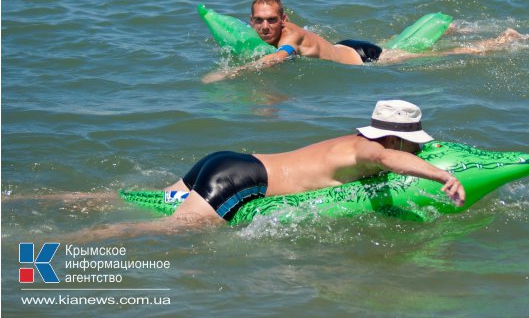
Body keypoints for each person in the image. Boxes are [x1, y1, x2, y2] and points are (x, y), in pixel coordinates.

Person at [74, 100, 465, 241]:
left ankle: (62, 201)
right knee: (178, 229)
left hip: (229, 161)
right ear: (396, 139)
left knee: (161, 199)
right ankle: (79, 238)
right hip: (241, 182)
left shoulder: (348, 142)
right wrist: (442, 175)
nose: (418, 147)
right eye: (415, 142)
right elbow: (385, 160)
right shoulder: (371, 149)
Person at [202, 0, 529, 83]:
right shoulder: (274, 30)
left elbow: (280, 56)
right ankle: (446, 29)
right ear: (250, 21)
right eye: (258, 21)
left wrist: (230, 73)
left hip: (364, 59)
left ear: (283, 19)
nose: (264, 27)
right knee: (398, 43)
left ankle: (499, 41)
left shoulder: (287, 37)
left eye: (271, 20)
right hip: (347, 45)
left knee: (429, 58)